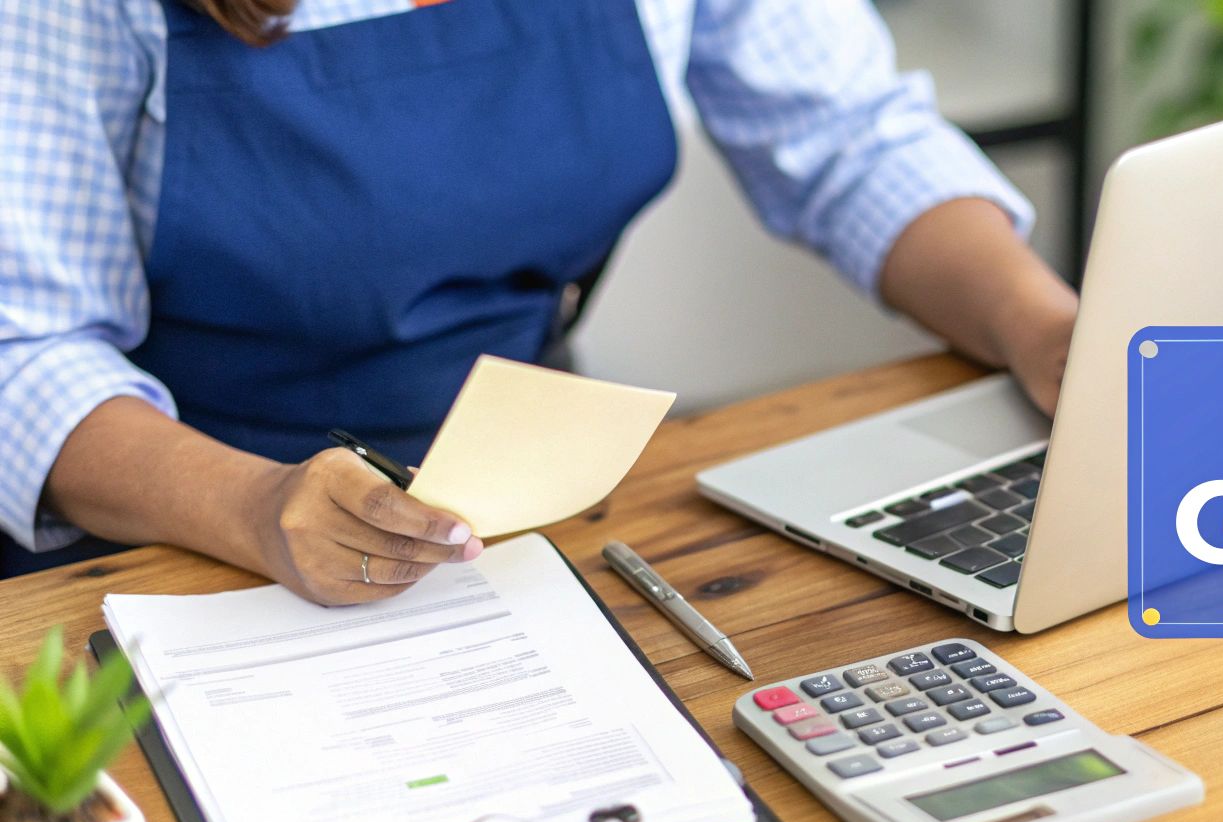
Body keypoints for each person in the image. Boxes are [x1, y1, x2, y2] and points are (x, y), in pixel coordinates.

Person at [0, 0, 1077, 603]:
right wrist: (254, 507)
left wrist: (1041, 326)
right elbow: (25, 349)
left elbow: (851, 139)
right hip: (177, 530)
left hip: (527, 505)